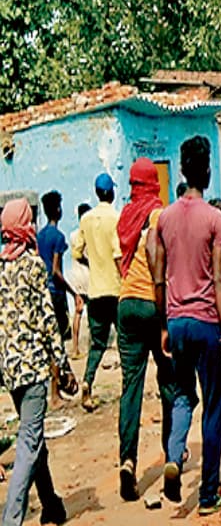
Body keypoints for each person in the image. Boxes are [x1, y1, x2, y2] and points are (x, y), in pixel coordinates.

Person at [152, 136, 221, 517]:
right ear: (206, 170)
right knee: (215, 404)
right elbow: (219, 280)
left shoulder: (165, 219)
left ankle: (174, 455)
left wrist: (164, 326)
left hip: (176, 319)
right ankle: (206, 495)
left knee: (184, 396)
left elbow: (158, 276)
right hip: (207, 322)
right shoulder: (214, 218)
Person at [0, 199, 77, 526]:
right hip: (32, 369)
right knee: (29, 443)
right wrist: (63, 367)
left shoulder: (0, 267)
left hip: (10, 369)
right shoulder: (31, 266)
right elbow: (48, 321)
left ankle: (52, 504)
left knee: (34, 438)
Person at [114, 159, 180, 502]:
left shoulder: (126, 216)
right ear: (154, 183)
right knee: (168, 381)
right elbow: (161, 264)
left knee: (131, 387)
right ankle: (172, 455)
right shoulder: (158, 215)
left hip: (125, 304)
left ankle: (127, 461)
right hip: (152, 304)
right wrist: (168, 317)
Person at [71, 172, 122, 412]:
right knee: (125, 339)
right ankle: (128, 386)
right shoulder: (115, 218)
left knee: (97, 344)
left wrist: (92, 263)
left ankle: (87, 382)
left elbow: (76, 251)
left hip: (95, 290)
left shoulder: (86, 220)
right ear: (111, 192)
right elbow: (118, 254)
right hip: (115, 287)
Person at [36, 191, 71, 342]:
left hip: (42, 288)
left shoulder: (39, 236)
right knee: (62, 334)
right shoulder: (58, 237)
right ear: (58, 210)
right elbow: (56, 270)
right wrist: (73, 292)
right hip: (56, 292)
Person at [66, 203, 92, 358]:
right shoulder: (88, 235)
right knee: (92, 314)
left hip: (76, 277)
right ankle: (90, 345)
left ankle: (75, 347)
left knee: (77, 312)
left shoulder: (73, 235)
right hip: (89, 276)